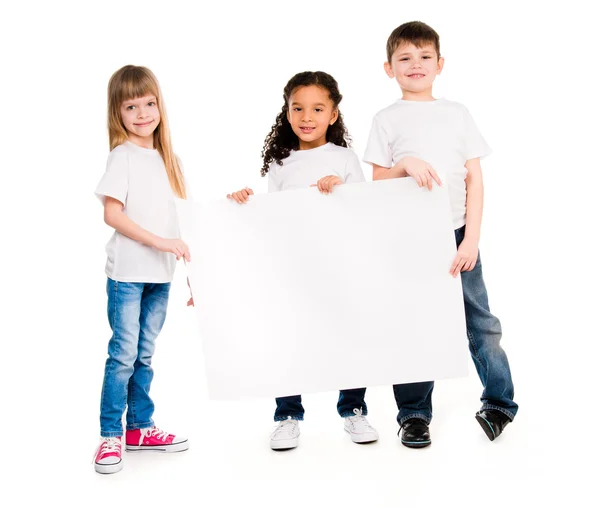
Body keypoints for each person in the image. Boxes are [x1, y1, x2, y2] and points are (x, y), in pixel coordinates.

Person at [364, 21, 518, 447]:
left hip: (455, 234)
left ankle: (500, 403)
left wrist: (471, 239)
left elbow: (475, 180)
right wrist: (406, 163)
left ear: (440, 64)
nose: (416, 65)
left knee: (480, 321)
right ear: (388, 68)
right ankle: (413, 414)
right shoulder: (386, 119)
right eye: (405, 59)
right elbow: (378, 180)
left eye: (424, 57)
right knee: (413, 323)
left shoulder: (457, 113)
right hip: (408, 240)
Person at [228, 71, 379, 450]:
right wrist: (244, 205)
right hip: (294, 268)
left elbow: (364, 211)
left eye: (317, 108)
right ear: (287, 112)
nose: (306, 116)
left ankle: (354, 409)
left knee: (347, 336)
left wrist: (339, 189)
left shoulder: (344, 158)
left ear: (333, 114)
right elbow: (274, 219)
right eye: (298, 108)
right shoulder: (281, 164)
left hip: (337, 266)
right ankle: (288, 415)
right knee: (289, 338)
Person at [93, 65, 191, 474]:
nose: (142, 113)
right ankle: (110, 436)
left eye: (149, 103)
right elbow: (112, 216)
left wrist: (193, 278)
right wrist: (160, 243)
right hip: (129, 274)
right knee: (123, 355)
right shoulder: (122, 156)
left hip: (160, 275)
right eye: (131, 106)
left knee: (144, 355)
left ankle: (139, 428)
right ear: (118, 113)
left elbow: (179, 224)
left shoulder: (168, 159)